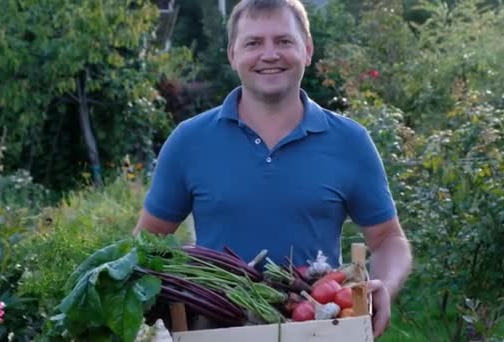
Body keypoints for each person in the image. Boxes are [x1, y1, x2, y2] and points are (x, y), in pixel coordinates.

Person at [134, 0, 412, 338]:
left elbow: (388, 240)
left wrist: (384, 284)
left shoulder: (350, 142)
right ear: (232, 54)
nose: (270, 54)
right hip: (216, 331)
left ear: (307, 50)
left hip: (317, 328)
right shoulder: (189, 141)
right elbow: (146, 245)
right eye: (253, 43)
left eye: (284, 41)